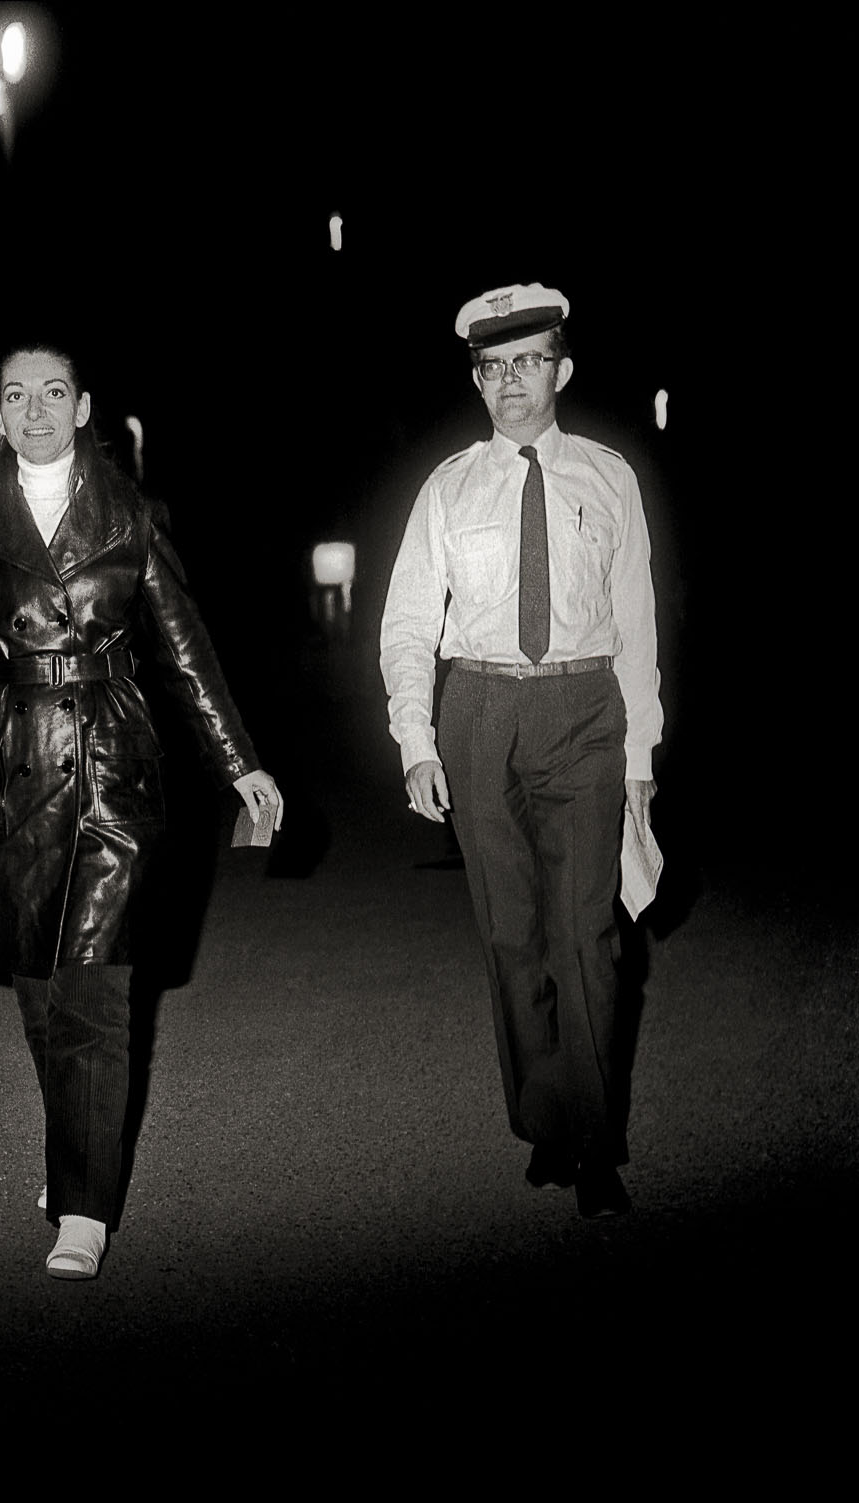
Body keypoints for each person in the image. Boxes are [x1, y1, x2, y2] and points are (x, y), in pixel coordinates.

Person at [0, 343, 283, 1279]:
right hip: (9, 768)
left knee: (94, 993)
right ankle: (76, 1146)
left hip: (114, 766)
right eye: (16, 395)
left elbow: (187, 651)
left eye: (53, 393)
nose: (35, 410)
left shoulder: (133, 517)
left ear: (82, 408)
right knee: (38, 992)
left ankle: (82, 1208)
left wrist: (242, 765)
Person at [379, 284, 662, 1219]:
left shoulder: (608, 477)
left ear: (562, 369)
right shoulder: (449, 486)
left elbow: (638, 623)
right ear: (477, 380)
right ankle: (546, 1122)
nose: (510, 381)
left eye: (529, 361)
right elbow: (411, 623)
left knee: (588, 937)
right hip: (481, 710)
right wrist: (417, 738)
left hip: (585, 706)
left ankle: (592, 1137)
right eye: (493, 367)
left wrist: (641, 754)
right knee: (512, 935)